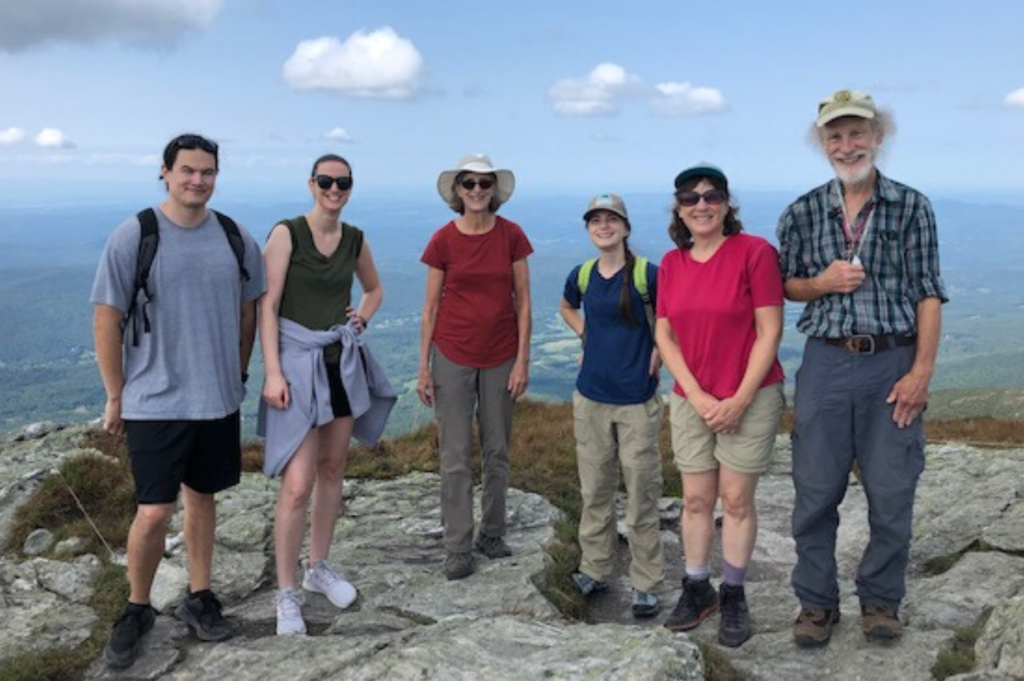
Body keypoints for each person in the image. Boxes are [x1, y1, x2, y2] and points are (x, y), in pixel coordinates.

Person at [778, 90, 947, 647]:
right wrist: (821, 284)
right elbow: (785, 285)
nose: (847, 145)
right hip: (825, 362)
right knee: (814, 490)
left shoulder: (911, 206)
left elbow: (928, 293)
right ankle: (816, 604)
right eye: (835, 136)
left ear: (878, 136)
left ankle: (880, 599)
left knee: (892, 489)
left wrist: (921, 371)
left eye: (857, 134)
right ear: (822, 142)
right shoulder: (802, 211)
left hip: (892, 361)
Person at [91, 133, 266, 668]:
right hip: (155, 399)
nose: (198, 180)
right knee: (153, 510)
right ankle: (136, 606)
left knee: (203, 497)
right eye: (187, 170)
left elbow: (248, 311)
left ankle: (199, 594)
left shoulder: (235, 237)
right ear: (164, 173)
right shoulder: (136, 235)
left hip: (215, 398)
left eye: (207, 172)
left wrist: (237, 372)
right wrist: (115, 393)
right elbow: (106, 315)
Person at [656, 164, 785, 648]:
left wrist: (738, 399)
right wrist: (699, 393)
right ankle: (696, 587)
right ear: (679, 209)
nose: (702, 205)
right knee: (694, 499)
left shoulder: (754, 253)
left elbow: (770, 330)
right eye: (690, 198)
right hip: (693, 398)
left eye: (712, 196)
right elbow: (665, 333)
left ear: (728, 203)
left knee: (734, 499)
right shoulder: (672, 263)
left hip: (749, 396)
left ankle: (732, 593)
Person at [258, 154, 384, 635]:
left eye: (343, 182)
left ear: (351, 187)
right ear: (312, 184)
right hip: (294, 364)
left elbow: (373, 289)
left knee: (333, 468)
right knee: (298, 482)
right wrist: (272, 373)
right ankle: (286, 591)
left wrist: (362, 317)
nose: (335, 189)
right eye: (327, 181)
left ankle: (319, 567)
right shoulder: (287, 233)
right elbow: (267, 306)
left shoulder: (354, 237)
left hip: (337, 361)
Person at [417, 154, 533, 581]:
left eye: (485, 183)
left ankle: (493, 532)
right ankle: (458, 546)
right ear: (458, 191)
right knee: (455, 456)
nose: (478, 190)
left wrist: (522, 360)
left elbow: (523, 301)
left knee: (498, 448)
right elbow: (429, 308)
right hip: (452, 354)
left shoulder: (512, 236)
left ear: (495, 190)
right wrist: (424, 367)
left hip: (502, 355)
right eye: (470, 183)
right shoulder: (443, 241)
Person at [560, 193, 665, 618]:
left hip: (637, 400)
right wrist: (586, 335)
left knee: (641, 493)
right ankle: (596, 568)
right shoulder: (582, 275)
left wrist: (659, 350)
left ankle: (646, 582)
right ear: (588, 229)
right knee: (596, 489)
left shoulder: (647, 275)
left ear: (625, 228)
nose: (603, 227)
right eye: (595, 221)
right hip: (591, 398)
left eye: (611, 220)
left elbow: (671, 319)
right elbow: (567, 306)